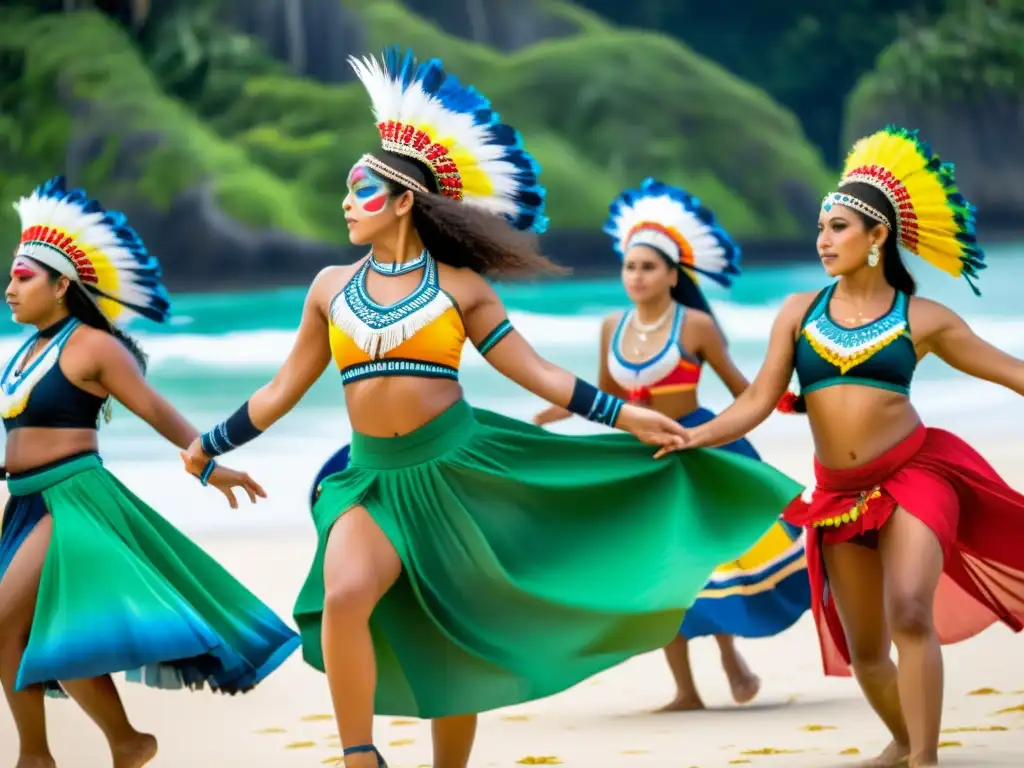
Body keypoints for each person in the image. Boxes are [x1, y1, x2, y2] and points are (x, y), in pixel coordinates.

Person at [180, 48, 801, 768]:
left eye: (362, 190)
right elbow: (281, 389)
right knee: (346, 593)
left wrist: (624, 415)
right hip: (369, 478)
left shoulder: (462, 287)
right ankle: (359, 756)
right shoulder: (328, 287)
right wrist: (211, 442)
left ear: (405, 200)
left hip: (457, 473)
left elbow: (535, 371)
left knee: (455, 631)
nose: (347, 203)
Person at [672, 125, 1024, 768]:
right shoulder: (799, 312)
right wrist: (695, 435)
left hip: (916, 473)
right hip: (837, 497)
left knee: (910, 612)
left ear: (876, 237)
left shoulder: (924, 319)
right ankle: (904, 740)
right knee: (865, 650)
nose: (823, 240)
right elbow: (755, 402)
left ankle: (924, 759)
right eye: (820, 228)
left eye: (837, 228)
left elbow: (1013, 373)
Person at [0, 177, 301, 768]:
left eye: (23, 277)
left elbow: (156, 409)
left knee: (10, 620)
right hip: (26, 504)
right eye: (11, 276)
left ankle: (38, 757)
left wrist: (207, 464)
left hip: (72, 500)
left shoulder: (92, 347)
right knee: (38, 633)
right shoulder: (26, 350)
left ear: (62, 285)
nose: (9, 287)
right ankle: (113, 745)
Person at [533, 178, 810, 712]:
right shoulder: (611, 325)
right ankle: (685, 689)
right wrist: (537, 423)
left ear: (672, 274)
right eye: (630, 267)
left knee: (711, 565)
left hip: (699, 452)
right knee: (661, 574)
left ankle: (732, 658)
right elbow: (599, 397)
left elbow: (742, 391)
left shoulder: (697, 325)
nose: (636, 277)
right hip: (643, 462)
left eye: (648, 267)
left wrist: (791, 404)